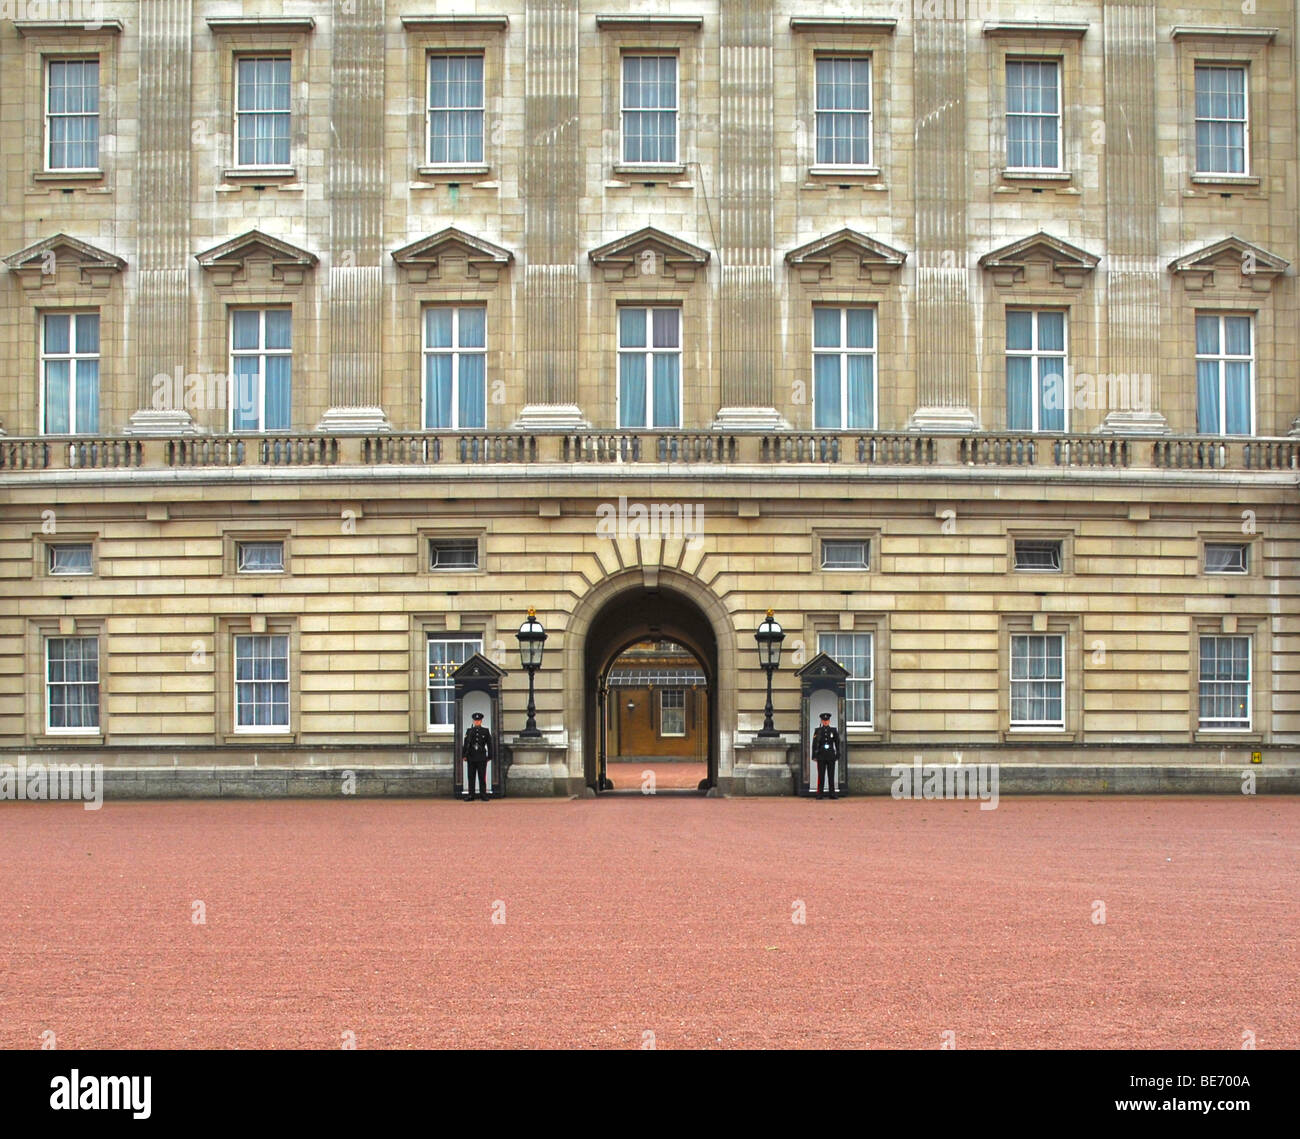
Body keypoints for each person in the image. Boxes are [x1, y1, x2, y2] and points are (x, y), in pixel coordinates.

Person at [461, 711, 494, 801]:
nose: (477, 722)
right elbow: (466, 744)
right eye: (475, 720)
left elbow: (489, 744)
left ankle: (483, 794)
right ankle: (471, 795)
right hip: (471, 756)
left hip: (481, 757)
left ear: (481, 721)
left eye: (478, 720)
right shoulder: (469, 731)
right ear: (473, 721)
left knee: (481, 776)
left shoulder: (485, 731)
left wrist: (490, 756)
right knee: (471, 777)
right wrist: (464, 755)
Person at [811, 711, 841, 800]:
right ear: (821, 721)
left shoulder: (833, 730)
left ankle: (832, 793)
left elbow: (837, 743)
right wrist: (814, 756)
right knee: (821, 775)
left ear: (829, 721)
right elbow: (814, 744)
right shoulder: (818, 731)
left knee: (831, 775)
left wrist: (838, 753)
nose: (825, 722)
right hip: (821, 755)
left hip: (831, 755)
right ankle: (820, 793)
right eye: (824, 720)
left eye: (827, 720)